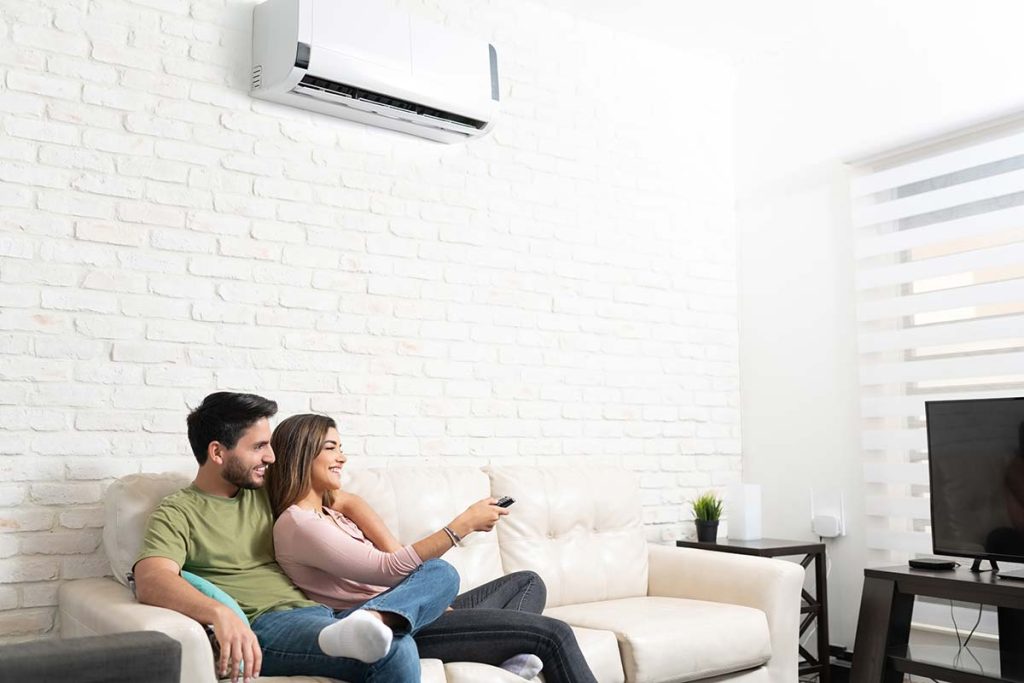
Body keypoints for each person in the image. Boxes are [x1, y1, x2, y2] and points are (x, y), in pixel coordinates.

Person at [133, 392, 461, 683]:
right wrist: (220, 613)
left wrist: (394, 557)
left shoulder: (264, 490)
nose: (271, 458)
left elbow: (343, 499)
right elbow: (152, 579)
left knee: (440, 572)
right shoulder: (178, 512)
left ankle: (374, 617)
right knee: (393, 647)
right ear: (218, 452)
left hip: (323, 614)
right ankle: (372, 624)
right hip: (266, 627)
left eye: (270, 446)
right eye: (259, 447)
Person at [267, 413, 599, 683]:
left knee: (527, 582)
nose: (343, 457)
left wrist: (350, 503)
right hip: (382, 628)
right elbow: (389, 569)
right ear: (302, 453)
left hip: (413, 610)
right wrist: (463, 524)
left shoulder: (330, 513)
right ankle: (498, 646)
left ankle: (505, 658)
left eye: (341, 447)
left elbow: (396, 563)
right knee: (552, 634)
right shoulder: (299, 524)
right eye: (331, 448)